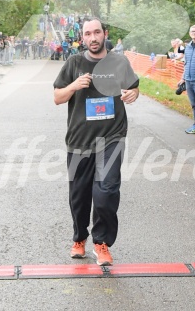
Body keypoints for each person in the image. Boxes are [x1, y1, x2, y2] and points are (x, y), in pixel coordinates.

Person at [53, 17, 139, 266]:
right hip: (79, 141)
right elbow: (57, 97)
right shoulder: (74, 62)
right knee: (79, 197)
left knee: (107, 191)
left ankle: (102, 243)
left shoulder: (119, 62)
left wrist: (134, 93)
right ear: (83, 38)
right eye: (88, 33)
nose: (93, 37)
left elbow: (133, 88)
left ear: (104, 34)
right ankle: (79, 238)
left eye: (97, 32)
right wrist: (74, 86)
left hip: (111, 137)